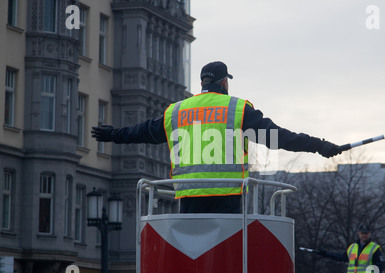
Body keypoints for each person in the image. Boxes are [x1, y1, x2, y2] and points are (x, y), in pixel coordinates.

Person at [92, 61, 343, 213]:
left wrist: (113, 134)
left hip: (188, 199)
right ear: (224, 82)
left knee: (191, 257)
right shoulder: (237, 109)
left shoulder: (177, 111)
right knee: (226, 259)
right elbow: (278, 137)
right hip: (227, 198)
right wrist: (319, 146)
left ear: (202, 83)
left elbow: (143, 131)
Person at [315, 224, 384, 273]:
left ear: (369, 234)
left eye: (366, 233)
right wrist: (325, 254)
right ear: (359, 233)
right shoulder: (352, 247)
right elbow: (341, 257)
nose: (364, 235)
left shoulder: (374, 248)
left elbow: (379, 265)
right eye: (362, 233)